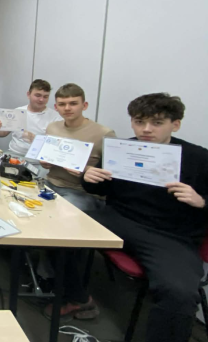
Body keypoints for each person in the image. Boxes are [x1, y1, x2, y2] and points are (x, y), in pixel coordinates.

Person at [53, 94, 207, 342]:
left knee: (179, 293)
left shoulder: (198, 158)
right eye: (139, 122)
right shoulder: (123, 150)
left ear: (175, 125)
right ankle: (78, 298)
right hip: (118, 218)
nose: (146, 129)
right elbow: (102, 188)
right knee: (55, 233)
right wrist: (88, 178)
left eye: (157, 123)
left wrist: (201, 201)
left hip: (169, 235)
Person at [43, 83, 115, 211]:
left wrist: (85, 170)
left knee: (59, 213)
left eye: (73, 103)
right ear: (56, 107)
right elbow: (46, 158)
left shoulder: (104, 133)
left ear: (84, 105)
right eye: (62, 104)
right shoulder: (52, 127)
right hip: (50, 182)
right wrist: (44, 162)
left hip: (81, 192)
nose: (67, 108)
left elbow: (113, 174)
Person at [0, 79, 62, 158]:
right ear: (28, 94)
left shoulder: (55, 117)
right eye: (38, 95)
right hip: (14, 155)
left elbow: (56, 146)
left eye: (45, 97)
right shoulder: (18, 112)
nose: (41, 99)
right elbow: (2, 134)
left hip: (39, 158)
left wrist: (36, 140)